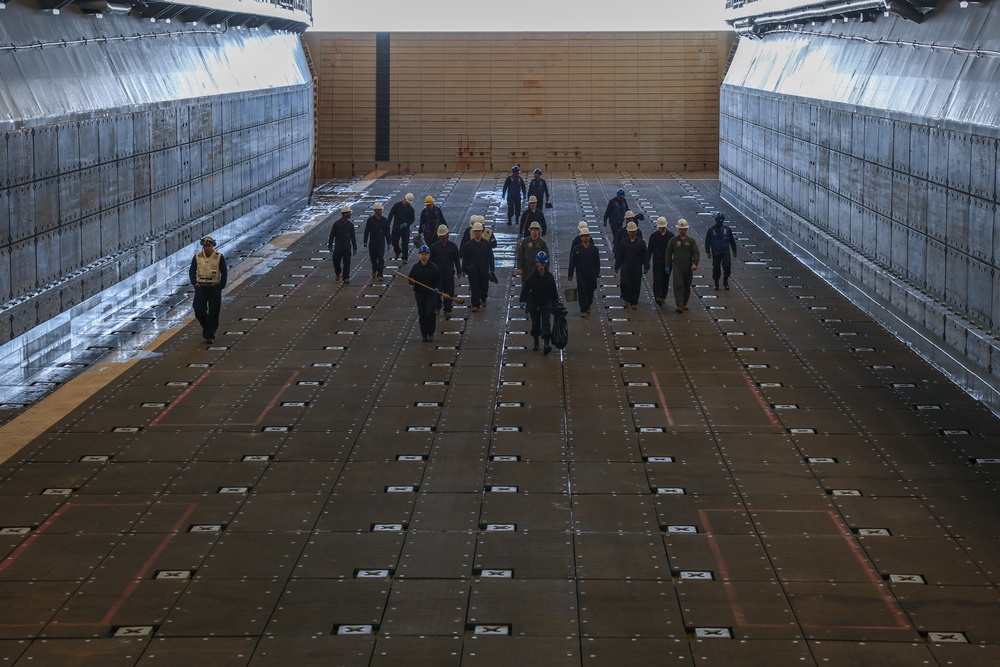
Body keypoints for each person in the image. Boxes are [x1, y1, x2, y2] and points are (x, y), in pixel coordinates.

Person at [189, 235, 228, 344]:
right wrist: (194, 282)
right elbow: (192, 270)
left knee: (214, 312)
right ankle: (207, 327)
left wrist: (221, 285)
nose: (206, 248)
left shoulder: (219, 257)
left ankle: (210, 335)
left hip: (214, 287)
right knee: (198, 309)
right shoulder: (197, 257)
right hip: (201, 287)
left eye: (208, 246)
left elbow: (224, 272)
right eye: (204, 246)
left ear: (212, 246)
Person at [519, 251, 560, 354]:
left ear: (546, 263)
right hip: (534, 304)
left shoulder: (549, 277)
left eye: (543, 263)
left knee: (546, 323)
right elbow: (526, 289)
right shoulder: (532, 277)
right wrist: (523, 300)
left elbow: (553, 291)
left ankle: (546, 343)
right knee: (535, 323)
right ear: (536, 263)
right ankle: (536, 341)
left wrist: (556, 302)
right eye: (540, 263)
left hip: (546, 303)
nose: (541, 265)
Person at [407, 245, 441, 342]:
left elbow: (438, 280)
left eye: (425, 254)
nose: (424, 256)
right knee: (422, 313)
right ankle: (424, 334)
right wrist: (412, 282)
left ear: (429, 255)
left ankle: (431, 332)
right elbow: (410, 279)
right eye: (422, 254)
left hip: (431, 293)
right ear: (419, 255)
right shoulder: (416, 267)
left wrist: (437, 288)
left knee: (430, 313)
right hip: (419, 293)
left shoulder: (434, 267)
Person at [665, 219, 700, 313]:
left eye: (683, 229)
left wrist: (694, 263)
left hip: (688, 268)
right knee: (678, 285)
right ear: (678, 229)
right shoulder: (673, 241)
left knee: (686, 285)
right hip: (677, 267)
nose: (682, 230)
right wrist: (667, 265)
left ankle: (684, 303)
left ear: (686, 230)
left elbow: (696, 253)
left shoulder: (691, 241)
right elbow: (668, 253)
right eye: (680, 229)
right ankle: (679, 304)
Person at [460, 221, 495, 312]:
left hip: (484, 269)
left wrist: (492, 269)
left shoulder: (486, 244)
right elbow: (465, 257)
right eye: (475, 231)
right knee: (474, 287)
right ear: (473, 232)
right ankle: (475, 305)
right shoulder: (468, 245)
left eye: (479, 231)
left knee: (484, 286)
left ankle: (483, 297)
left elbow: (491, 256)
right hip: (473, 270)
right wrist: (463, 269)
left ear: (481, 232)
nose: (477, 233)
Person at [429, 224, 462, 320]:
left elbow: (456, 260)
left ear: (447, 234)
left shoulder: (453, 247)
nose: (442, 237)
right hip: (437, 275)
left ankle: (447, 310)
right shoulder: (434, 247)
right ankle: (437, 307)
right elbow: (431, 260)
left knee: (449, 293)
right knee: (437, 292)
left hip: (449, 274)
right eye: (440, 236)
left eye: (443, 235)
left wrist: (459, 271)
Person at [614, 221, 649, 310]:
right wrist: (617, 266)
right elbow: (620, 255)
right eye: (630, 232)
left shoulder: (641, 243)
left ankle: (634, 302)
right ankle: (626, 299)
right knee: (624, 283)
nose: (632, 233)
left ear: (636, 231)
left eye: (633, 231)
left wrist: (646, 265)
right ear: (628, 232)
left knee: (636, 285)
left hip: (637, 267)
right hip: (625, 267)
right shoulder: (623, 242)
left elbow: (645, 254)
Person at [568, 225, 600, 317]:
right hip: (581, 274)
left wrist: (596, 274)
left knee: (590, 291)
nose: (586, 238)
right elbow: (572, 262)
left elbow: (597, 263)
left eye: (587, 236)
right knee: (582, 291)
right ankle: (583, 310)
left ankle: (588, 305)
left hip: (591, 274)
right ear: (581, 237)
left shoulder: (594, 249)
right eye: (584, 236)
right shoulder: (576, 249)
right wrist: (570, 274)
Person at [705, 211, 738, 290]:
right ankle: (716, 283)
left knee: (727, 266)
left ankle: (725, 281)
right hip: (716, 252)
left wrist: (734, 250)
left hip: (725, 251)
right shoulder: (711, 230)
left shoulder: (727, 229)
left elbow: (732, 241)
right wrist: (708, 252)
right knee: (716, 268)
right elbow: (707, 241)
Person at [646, 216, 675, 306]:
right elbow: (649, 250)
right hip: (657, 262)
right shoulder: (653, 237)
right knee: (657, 279)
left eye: (663, 227)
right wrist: (647, 262)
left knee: (665, 280)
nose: (661, 229)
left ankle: (663, 296)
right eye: (660, 227)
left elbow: (674, 251)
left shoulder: (671, 236)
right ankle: (658, 296)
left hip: (667, 263)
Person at [328, 205, 357, 284]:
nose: (350, 214)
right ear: (345, 214)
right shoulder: (336, 224)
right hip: (338, 247)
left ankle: (346, 277)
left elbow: (353, 237)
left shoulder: (350, 225)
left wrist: (355, 247)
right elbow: (332, 235)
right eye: (349, 213)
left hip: (347, 247)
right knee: (336, 262)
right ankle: (338, 272)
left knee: (347, 263)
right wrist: (330, 246)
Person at [363, 202, 390, 282]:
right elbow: (366, 231)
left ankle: (380, 274)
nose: (380, 212)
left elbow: (387, 232)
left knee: (381, 258)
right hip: (372, 242)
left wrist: (389, 242)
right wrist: (365, 241)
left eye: (381, 210)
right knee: (373, 258)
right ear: (375, 211)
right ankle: (374, 269)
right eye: (378, 210)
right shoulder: (370, 220)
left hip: (381, 242)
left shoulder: (385, 221)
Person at [387, 193, 415, 264]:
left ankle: (405, 257)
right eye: (407, 202)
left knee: (405, 243)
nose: (407, 204)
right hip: (396, 227)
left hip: (405, 229)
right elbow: (391, 215)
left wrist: (407, 224)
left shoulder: (411, 209)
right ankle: (398, 251)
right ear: (404, 199)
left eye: (409, 203)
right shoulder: (397, 206)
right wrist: (387, 224)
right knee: (394, 241)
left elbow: (412, 219)